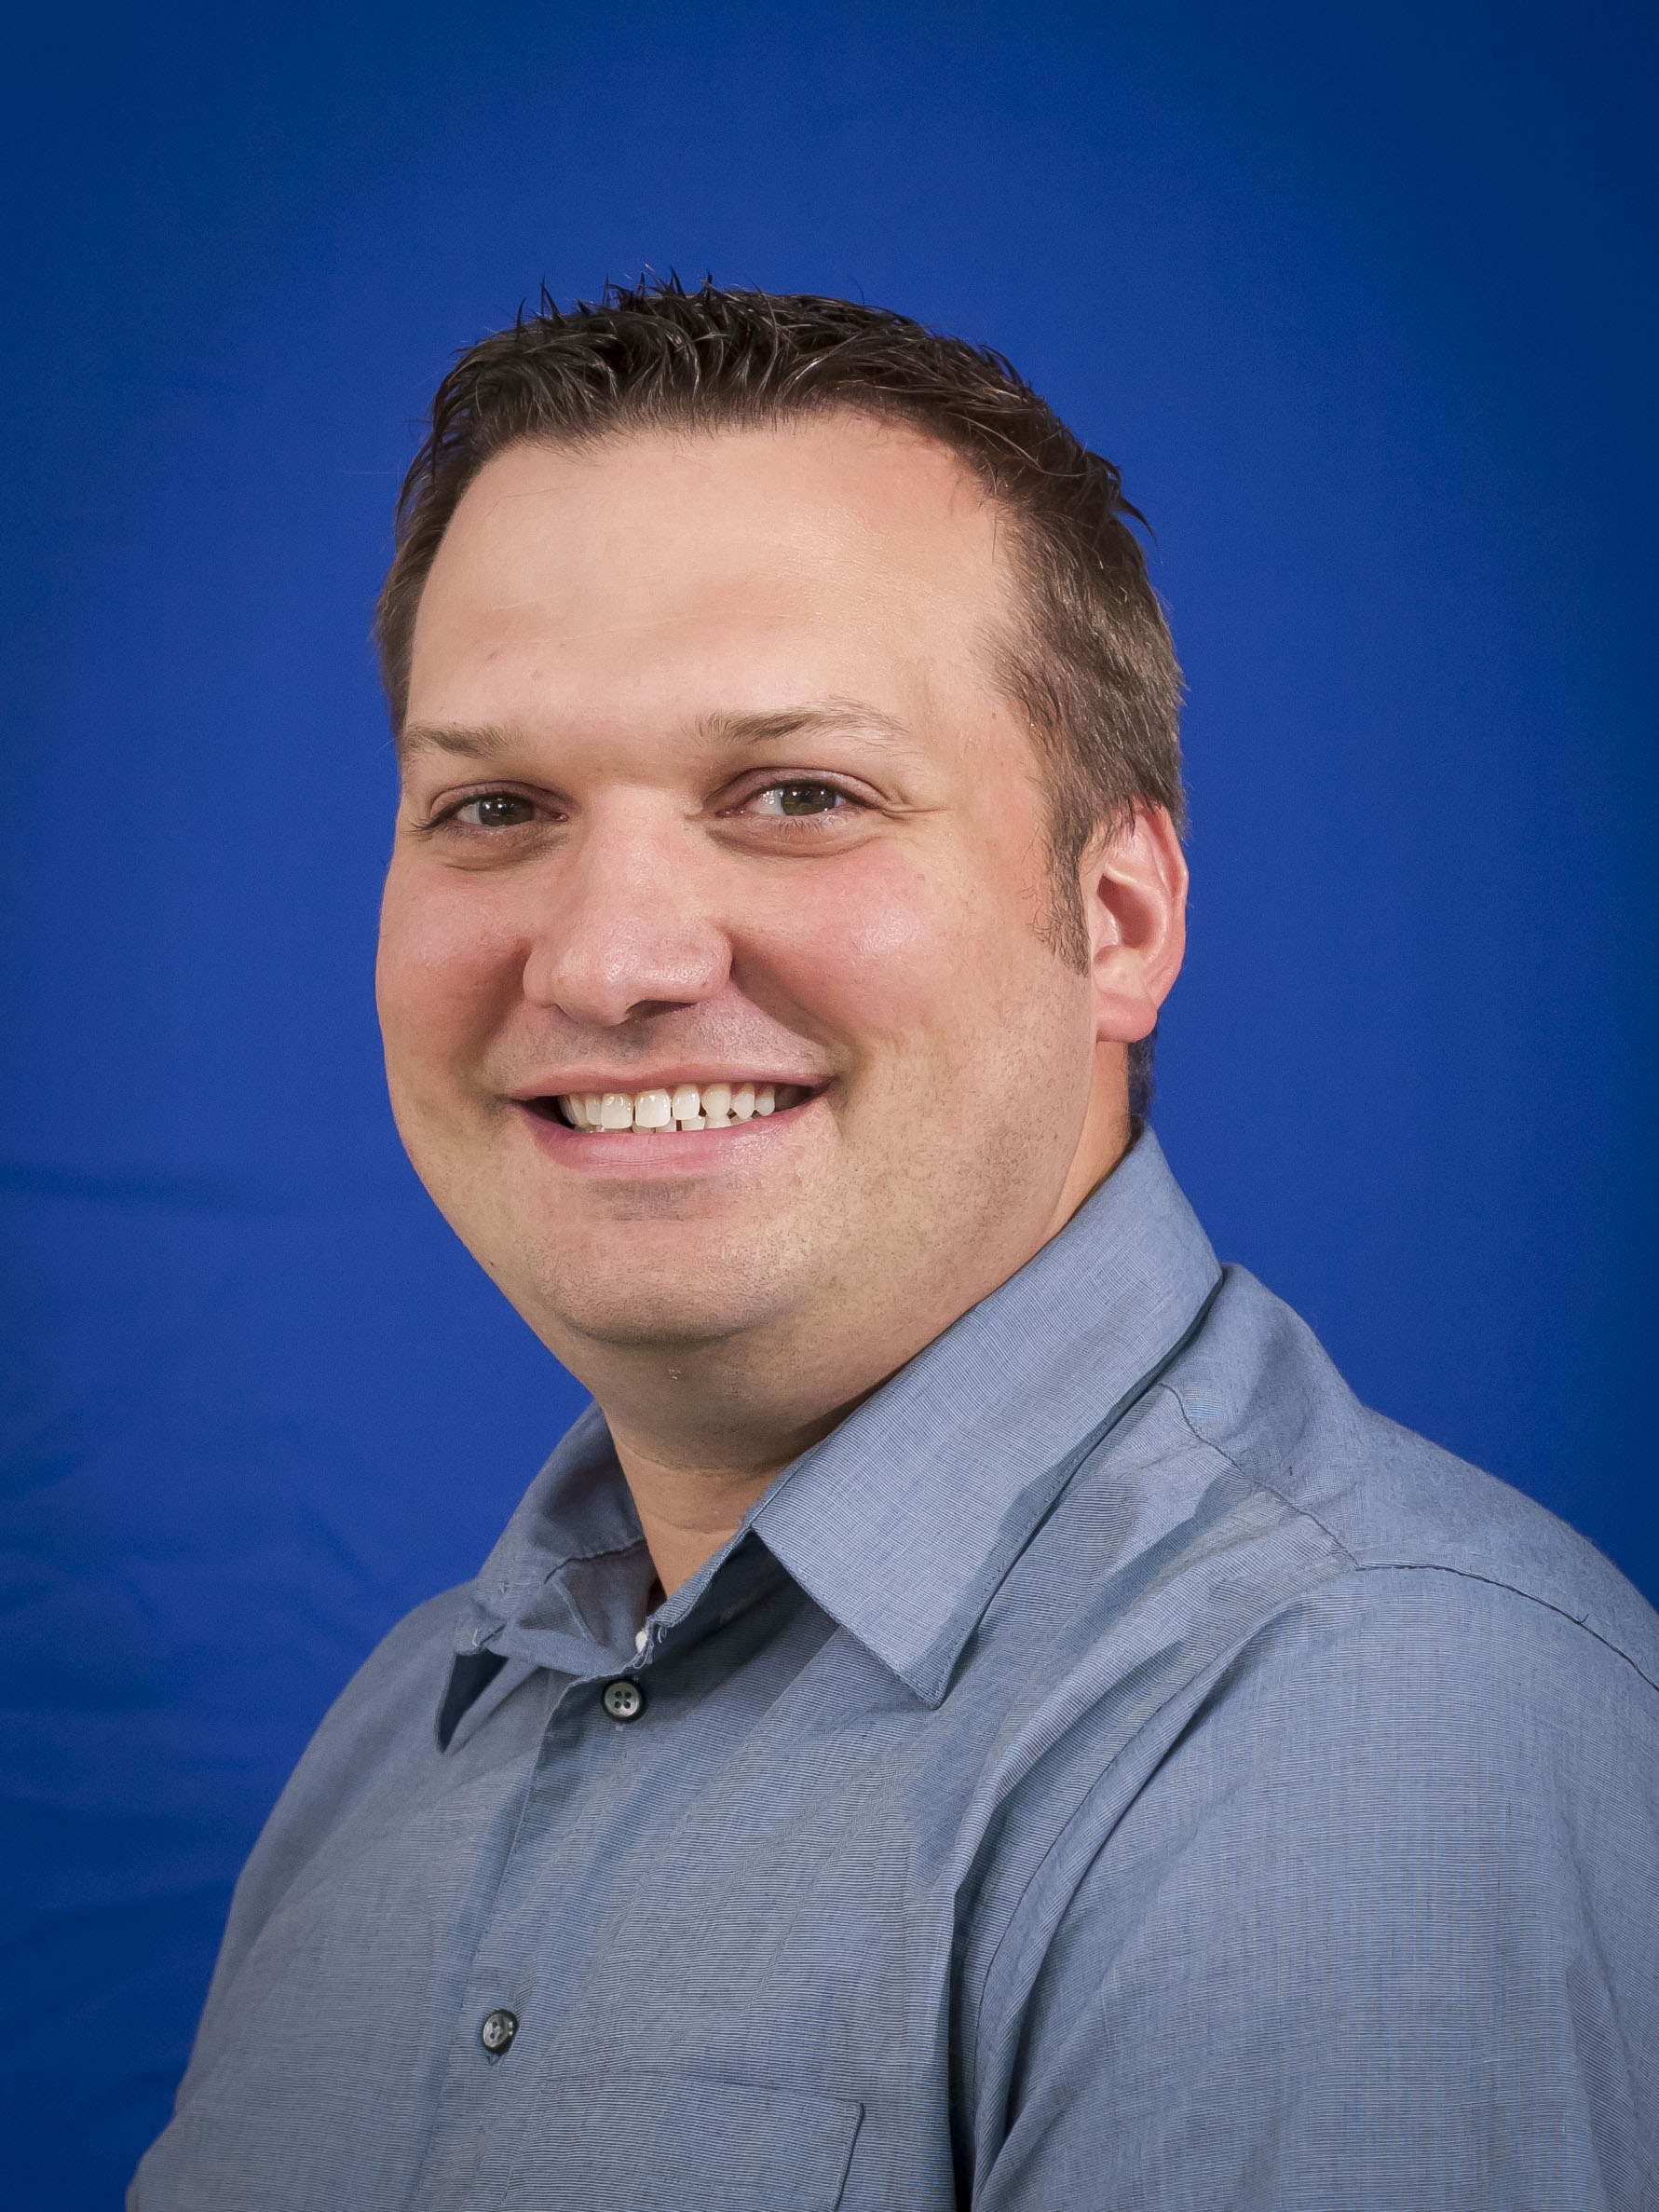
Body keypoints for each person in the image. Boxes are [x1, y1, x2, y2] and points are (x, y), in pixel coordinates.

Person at [131, 279, 1659, 2211]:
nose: (607, 958)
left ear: (1117, 917)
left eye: (797, 795)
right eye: (495, 804)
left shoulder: (1361, 1734)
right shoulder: (404, 1732)